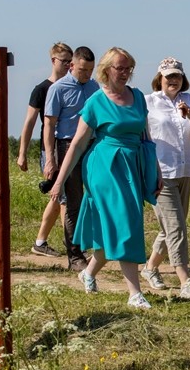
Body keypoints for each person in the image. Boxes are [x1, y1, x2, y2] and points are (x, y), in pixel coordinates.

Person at [49, 47, 160, 309]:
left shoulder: (138, 98)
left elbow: (147, 137)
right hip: (104, 167)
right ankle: (134, 293)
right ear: (107, 69)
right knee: (125, 222)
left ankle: (88, 273)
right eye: (119, 68)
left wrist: (156, 171)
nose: (125, 73)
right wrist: (59, 180)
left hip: (132, 164)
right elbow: (76, 144)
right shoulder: (96, 102)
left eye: (128, 68)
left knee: (116, 226)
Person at [141, 57, 190, 300]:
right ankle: (185, 281)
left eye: (177, 76)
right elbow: (142, 135)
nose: (173, 80)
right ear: (159, 78)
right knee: (176, 227)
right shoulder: (148, 102)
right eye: (169, 76)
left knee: (170, 227)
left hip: (185, 170)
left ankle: (149, 268)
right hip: (161, 173)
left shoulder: (187, 99)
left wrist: (189, 115)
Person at [44, 46, 98, 271]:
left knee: (96, 198)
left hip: (93, 146)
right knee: (73, 202)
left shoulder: (95, 87)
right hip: (67, 146)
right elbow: (49, 124)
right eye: (83, 70)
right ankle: (75, 256)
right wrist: (50, 158)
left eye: (90, 71)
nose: (87, 75)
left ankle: (97, 248)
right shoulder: (58, 89)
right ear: (71, 65)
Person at [17, 42, 71, 257]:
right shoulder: (42, 89)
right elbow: (30, 122)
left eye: (70, 61)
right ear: (53, 61)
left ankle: (41, 242)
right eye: (64, 61)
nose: (67, 65)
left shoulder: (72, 86)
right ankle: (73, 246)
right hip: (50, 150)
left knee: (59, 198)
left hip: (70, 148)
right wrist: (22, 153)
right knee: (64, 196)